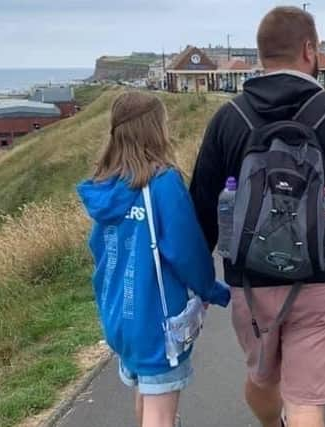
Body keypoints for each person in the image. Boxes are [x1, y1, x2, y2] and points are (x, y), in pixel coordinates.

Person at [190, 6, 325, 427]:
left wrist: (196, 277)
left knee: (262, 382)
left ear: (261, 54)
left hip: (249, 283)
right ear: (309, 49)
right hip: (320, 279)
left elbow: (202, 204)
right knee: (305, 404)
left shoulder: (229, 118)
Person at [77, 91, 230, 427]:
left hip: (119, 313)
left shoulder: (103, 186)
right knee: (160, 414)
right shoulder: (162, 184)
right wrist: (211, 289)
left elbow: (99, 248)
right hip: (157, 321)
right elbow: (187, 250)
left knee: (146, 397)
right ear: (156, 129)